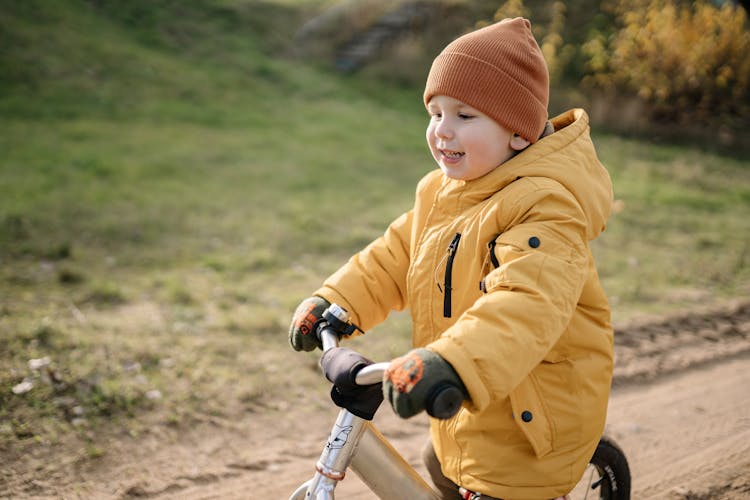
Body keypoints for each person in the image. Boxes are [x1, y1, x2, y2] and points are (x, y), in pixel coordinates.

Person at [289, 17, 614, 500]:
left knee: (499, 484)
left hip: (532, 415)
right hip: (472, 400)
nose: (443, 131)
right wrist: (337, 301)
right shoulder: (443, 192)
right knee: (436, 465)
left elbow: (526, 303)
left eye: (465, 116)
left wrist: (453, 360)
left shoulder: (545, 208)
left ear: (518, 135)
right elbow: (394, 255)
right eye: (435, 112)